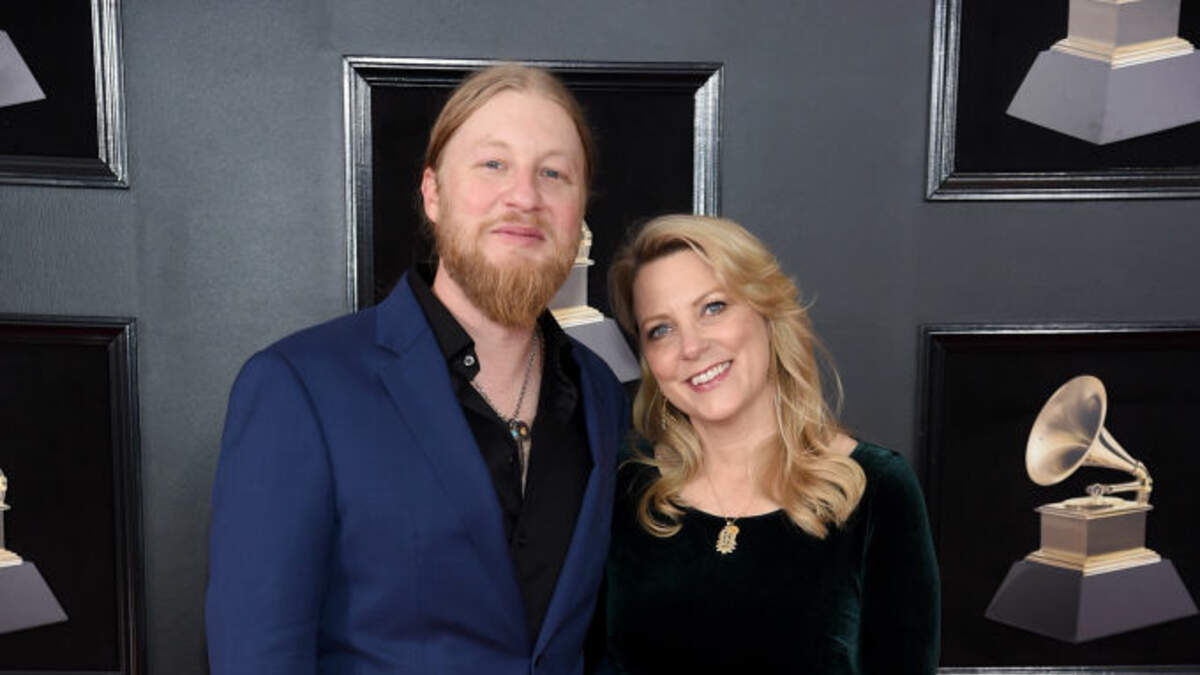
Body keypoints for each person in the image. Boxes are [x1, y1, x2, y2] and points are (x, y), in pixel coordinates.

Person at [206, 64, 628, 675]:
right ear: (432, 193)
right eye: (493, 164)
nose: (524, 196)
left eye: (554, 173)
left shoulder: (601, 394)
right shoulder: (298, 387)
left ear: (579, 209)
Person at [603, 214, 939, 674]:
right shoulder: (623, 485)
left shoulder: (877, 489)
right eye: (661, 329)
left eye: (713, 307)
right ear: (649, 360)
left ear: (767, 311)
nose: (691, 347)